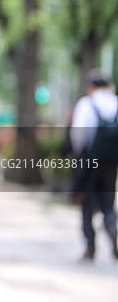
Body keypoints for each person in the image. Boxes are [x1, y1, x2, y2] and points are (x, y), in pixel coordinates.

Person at [69, 69, 118, 262]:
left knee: (87, 205)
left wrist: (79, 154)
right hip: (112, 162)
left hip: (90, 161)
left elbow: (79, 135)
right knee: (107, 203)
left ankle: (90, 247)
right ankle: (112, 228)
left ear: (91, 86)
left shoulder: (87, 104)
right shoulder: (116, 103)